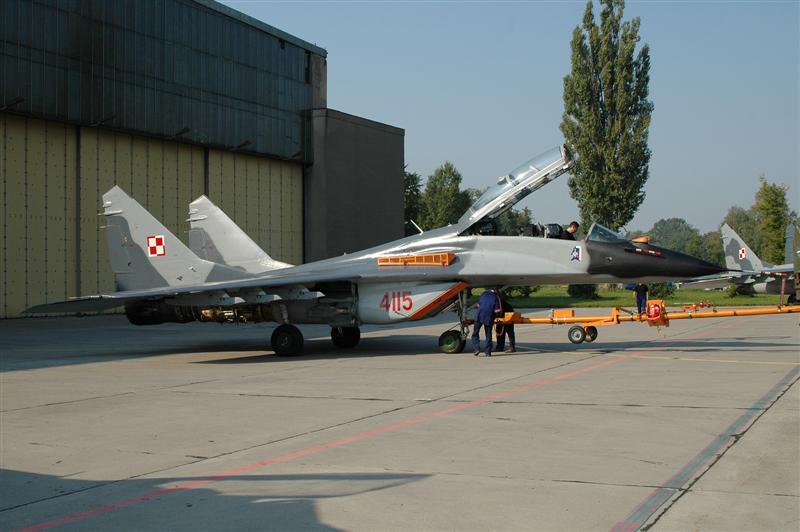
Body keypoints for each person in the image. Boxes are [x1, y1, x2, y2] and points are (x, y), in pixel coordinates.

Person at [472, 288, 501, 357]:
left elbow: (478, 305)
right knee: (488, 335)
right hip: (489, 318)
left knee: (475, 333)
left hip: (479, 316)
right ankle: (488, 352)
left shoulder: (483, 294)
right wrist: (496, 316)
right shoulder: (495, 297)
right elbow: (497, 310)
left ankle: (476, 349)